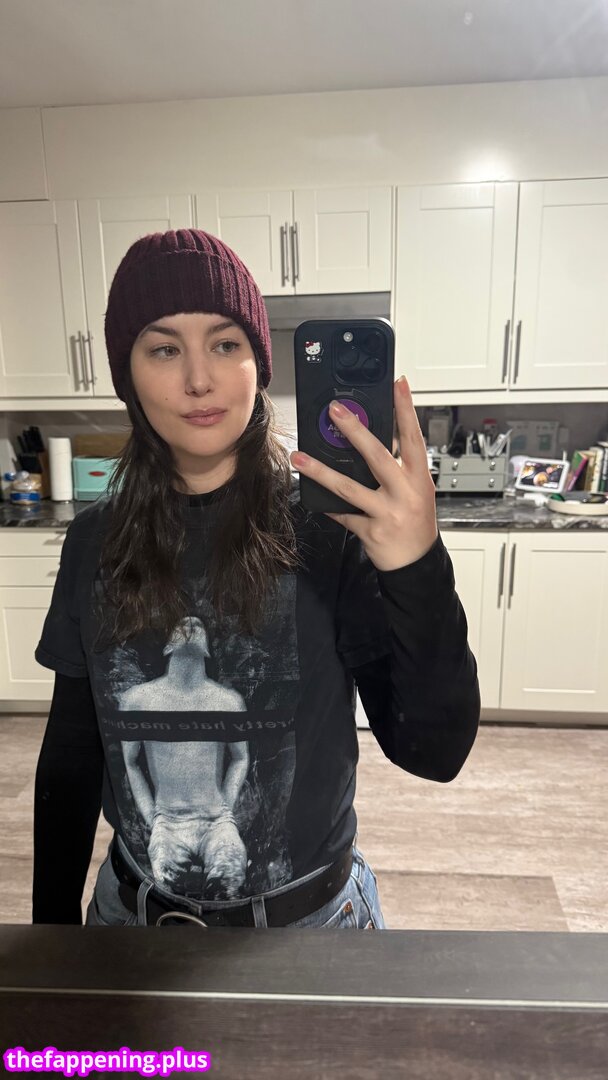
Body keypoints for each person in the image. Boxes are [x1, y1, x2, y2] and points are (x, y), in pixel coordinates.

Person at [32, 229, 480, 930]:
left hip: (312, 928)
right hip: (131, 921)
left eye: (225, 343)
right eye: (164, 349)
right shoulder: (94, 541)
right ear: (128, 373)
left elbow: (435, 753)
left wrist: (417, 564)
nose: (199, 379)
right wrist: (50, 941)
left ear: (258, 363)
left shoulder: (332, 531)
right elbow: (71, 752)